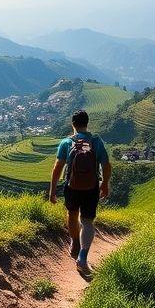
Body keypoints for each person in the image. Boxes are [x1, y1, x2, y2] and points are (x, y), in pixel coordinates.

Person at [49, 109, 111, 274]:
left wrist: (52, 191)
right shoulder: (96, 141)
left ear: (73, 124)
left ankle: (75, 241)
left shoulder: (66, 143)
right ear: (87, 123)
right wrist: (105, 184)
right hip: (91, 187)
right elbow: (106, 164)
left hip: (71, 187)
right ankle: (82, 257)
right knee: (87, 222)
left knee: (72, 214)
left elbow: (57, 168)